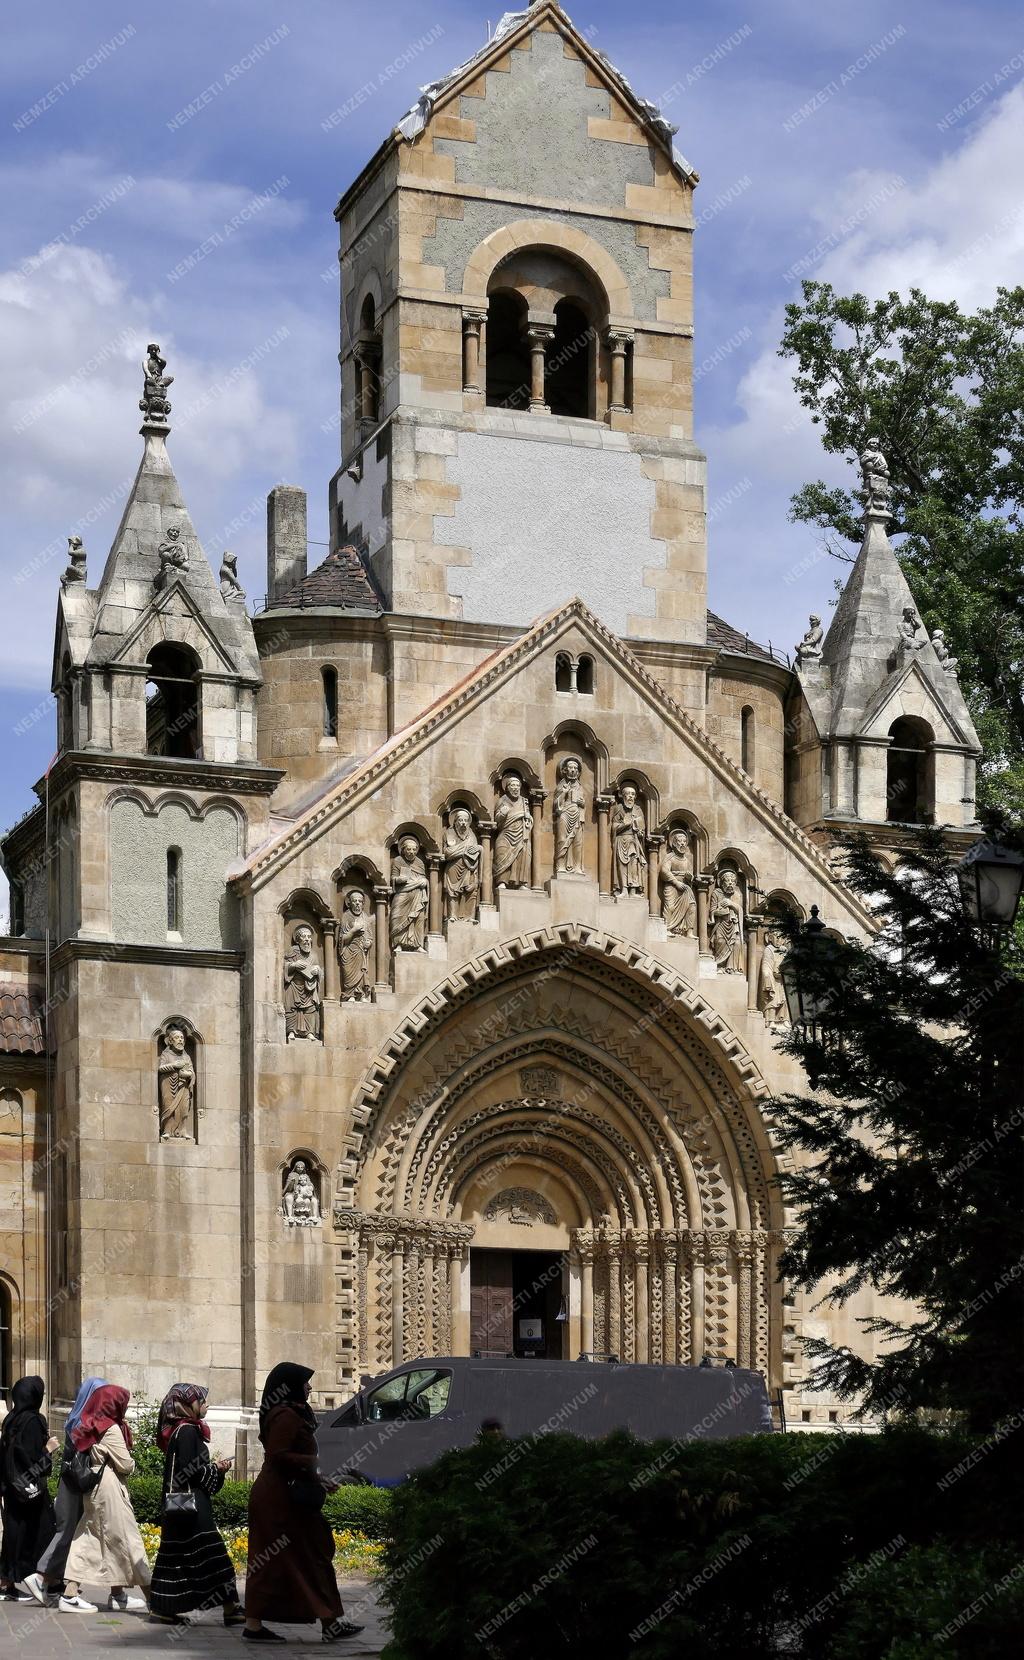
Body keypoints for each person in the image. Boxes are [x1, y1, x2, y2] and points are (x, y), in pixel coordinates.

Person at [244, 1363, 363, 1644]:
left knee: (308, 1557)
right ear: (290, 1386)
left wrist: (319, 1479)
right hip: (279, 1501)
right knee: (295, 1559)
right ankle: (323, 1622)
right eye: (305, 1383)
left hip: (285, 1497)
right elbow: (279, 1455)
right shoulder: (285, 1415)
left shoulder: (293, 1413)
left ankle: (328, 1621)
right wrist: (318, 1463)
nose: (310, 1387)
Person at [149, 1383, 243, 1627]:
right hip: (192, 1508)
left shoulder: (181, 1431)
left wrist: (212, 1469)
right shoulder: (188, 1431)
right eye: (202, 1401)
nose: (207, 1405)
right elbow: (189, 1471)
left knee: (177, 1558)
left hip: (182, 1507)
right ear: (187, 1405)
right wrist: (216, 1469)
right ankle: (230, 1608)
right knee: (214, 1555)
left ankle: (163, 1608)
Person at [61, 1385, 150, 1614]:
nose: (125, 1406)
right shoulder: (110, 1428)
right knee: (128, 1540)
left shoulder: (92, 1423)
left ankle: (115, 1594)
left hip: (97, 1489)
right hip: (110, 1488)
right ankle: (154, 1598)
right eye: (123, 1402)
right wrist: (133, 1461)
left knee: (96, 1538)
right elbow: (126, 1464)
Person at [24, 1376, 108, 1608]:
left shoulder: (77, 1418)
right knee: (68, 1531)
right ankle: (41, 1576)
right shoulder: (86, 1421)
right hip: (75, 1485)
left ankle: (52, 1581)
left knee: (70, 1532)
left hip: (69, 1483)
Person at [0, 1377, 58, 1599]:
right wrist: (49, 1450)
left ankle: (7, 1583)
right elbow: (35, 1463)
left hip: (12, 1488)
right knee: (44, 1532)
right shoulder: (34, 1421)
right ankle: (44, 1580)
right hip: (29, 1490)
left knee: (13, 1534)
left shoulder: (11, 1419)